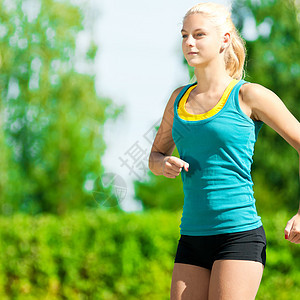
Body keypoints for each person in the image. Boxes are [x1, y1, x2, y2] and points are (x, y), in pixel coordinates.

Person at [148, 2, 300, 300]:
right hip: (191, 237)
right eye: (184, 35)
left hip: (238, 236)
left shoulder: (248, 95)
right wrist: (162, 164)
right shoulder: (177, 100)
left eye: (199, 34)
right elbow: (154, 156)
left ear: (225, 39)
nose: (189, 42)